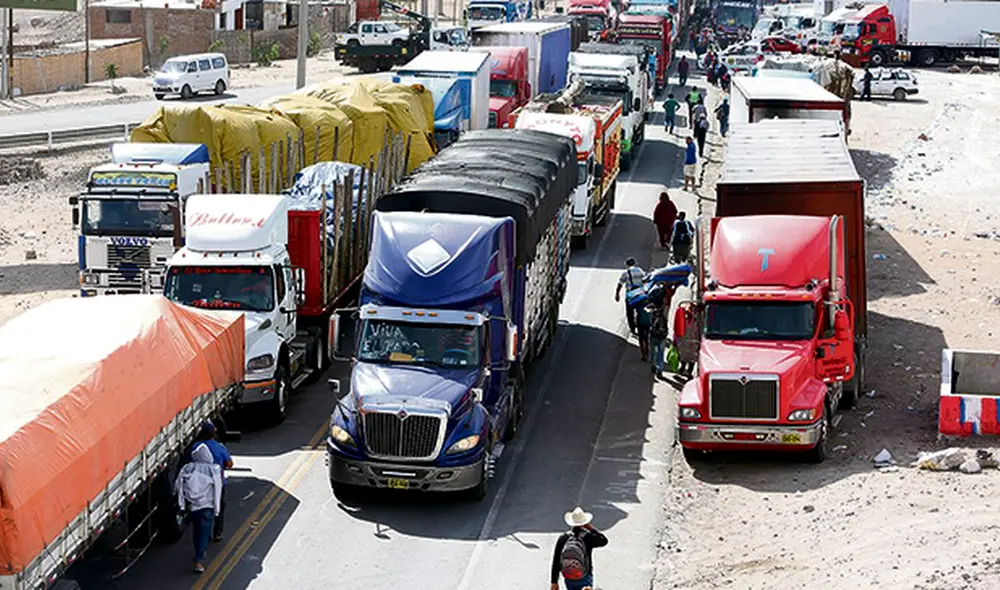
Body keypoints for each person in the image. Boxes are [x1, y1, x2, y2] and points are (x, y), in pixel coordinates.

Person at [176, 442, 222, 573]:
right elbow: (218, 490)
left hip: (193, 507)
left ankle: (199, 552)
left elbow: (178, 486)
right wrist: (217, 510)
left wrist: (182, 505)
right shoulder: (214, 469)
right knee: (204, 533)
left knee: (197, 532)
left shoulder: (187, 468)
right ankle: (199, 559)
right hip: (207, 507)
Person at [188, 421, 233, 542]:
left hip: (202, 484)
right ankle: (218, 533)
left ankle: (205, 533)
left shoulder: (196, 447)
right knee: (219, 508)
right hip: (218, 483)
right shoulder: (220, 447)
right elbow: (229, 464)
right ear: (214, 433)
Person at [551, 507, 609, 590]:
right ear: (584, 523)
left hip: (569, 577)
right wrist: (591, 528)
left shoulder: (563, 538)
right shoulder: (587, 537)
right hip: (584, 576)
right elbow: (604, 540)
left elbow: (556, 561)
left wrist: (554, 582)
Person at [615, 258, 646, 333]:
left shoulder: (626, 273)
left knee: (630, 313)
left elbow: (620, 284)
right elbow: (646, 280)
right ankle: (642, 325)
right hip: (640, 293)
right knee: (641, 310)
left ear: (627, 264)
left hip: (631, 295)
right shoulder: (640, 270)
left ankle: (632, 328)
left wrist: (617, 294)